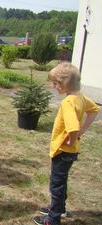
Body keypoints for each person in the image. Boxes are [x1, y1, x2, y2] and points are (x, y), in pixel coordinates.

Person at [32, 62, 100, 225]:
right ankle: (59, 208)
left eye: (55, 83)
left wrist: (72, 138)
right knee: (61, 181)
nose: (54, 87)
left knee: (56, 184)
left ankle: (53, 219)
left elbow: (73, 127)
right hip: (70, 151)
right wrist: (81, 132)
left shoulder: (68, 102)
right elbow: (94, 110)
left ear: (64, 84)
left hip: (63, 151)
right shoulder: (80, 97)